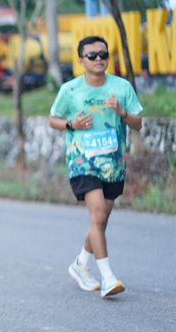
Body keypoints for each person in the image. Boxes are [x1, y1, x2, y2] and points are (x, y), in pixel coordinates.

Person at [49, 35, 143, 299]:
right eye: (92, 55)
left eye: (103, 54)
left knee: (100, 220)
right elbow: (53, 120)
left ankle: (80, 264)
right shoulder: (70, 90)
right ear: (81, 61)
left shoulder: (121, 87)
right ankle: (108, 278)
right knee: (98, 213)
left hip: (113, 164)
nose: (99, 59)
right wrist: (72, 124)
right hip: (83, 162)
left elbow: (138, 124)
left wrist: (121, 112)